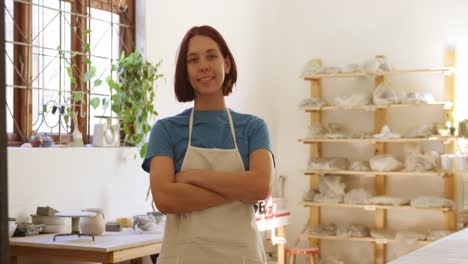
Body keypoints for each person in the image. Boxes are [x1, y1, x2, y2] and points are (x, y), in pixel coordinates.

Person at [142, 25, 275, 264]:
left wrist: (193, 177)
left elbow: (260, 187)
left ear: (227, 64)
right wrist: (238, 190)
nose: (203, 65)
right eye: (193, 60)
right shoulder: (166, 130)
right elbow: (165, 199)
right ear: (185, 71)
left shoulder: (253, 127)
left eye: (211, 56)